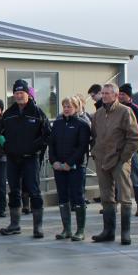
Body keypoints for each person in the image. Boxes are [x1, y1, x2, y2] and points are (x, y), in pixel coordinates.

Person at [90, 83, 138, 245]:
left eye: (107, 93)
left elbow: (135, 138)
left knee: (124, 197)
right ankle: (108, 231)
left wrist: (123, 157)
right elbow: (94, 136)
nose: (104, 96)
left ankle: (125, 233)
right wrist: (95, 152)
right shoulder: (98, 114)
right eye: (103, 93)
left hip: (119, 160)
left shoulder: (125, 112)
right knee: (106, 196)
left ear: (115, 95)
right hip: (102, 159)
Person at [0, 79, 50, 238]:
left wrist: (35, 147)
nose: (19, 96)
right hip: (12, 159)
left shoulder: (38, 113)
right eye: (16, 93)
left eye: (22, 93)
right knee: (14, 191)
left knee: (34, 191)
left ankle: (37, 227)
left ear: (28, 94)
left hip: (30, 159)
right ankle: (14, 225)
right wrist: (6, 147)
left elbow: (47, 135)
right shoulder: (8, 114)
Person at [48, 95, 91, 241]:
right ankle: (66, 229)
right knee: (62, 196)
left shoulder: (82, 124)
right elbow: (51, 144)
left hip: (76, 167)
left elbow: (82, 147)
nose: (66, 109)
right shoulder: (58, 124)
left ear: (77, 108)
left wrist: (70, 163)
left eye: (69, 106)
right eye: (65, 106)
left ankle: (80, 230)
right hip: (59, 167)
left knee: (77, 196)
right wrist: (53, 161)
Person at [118, 83, 138, 216]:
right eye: (119, 94)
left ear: (128, 95)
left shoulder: (136, 110)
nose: (120, 96)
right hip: (117, 148)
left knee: (136, 177)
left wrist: (134, 145)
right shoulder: (117, 109)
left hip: (132, 149)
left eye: (123, 94)